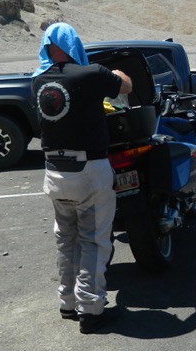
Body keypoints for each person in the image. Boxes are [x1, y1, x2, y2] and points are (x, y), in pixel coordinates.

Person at [31, 22, 132, 334]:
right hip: (88, 171)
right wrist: (112, 72)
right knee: (93, 239)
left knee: (66, 239)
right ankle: (90, 310)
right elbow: (125, 86)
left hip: (54, 171)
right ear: (73, 43)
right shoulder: (91, 74)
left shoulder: (38, 80)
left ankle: (68, 303)